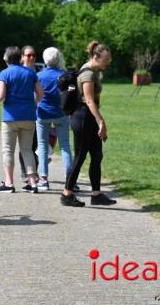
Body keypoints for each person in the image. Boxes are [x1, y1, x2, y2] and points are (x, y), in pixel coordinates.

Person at [61, 41, 117, 207]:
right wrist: (102, 122)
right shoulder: (88, 74)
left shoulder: (93, 71)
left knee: (97, 155)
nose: (108, 62)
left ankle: (96, 194)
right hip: (83, 118)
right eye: (106, 59)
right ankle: (67, 194)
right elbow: (90, 101)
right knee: (79, 157)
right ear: (96, 57)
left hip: (89, 118)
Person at [0, 46, 44, 193]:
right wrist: (34, 104)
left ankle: (9, 183)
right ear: (20, 57)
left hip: (10, 117)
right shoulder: (30, 73)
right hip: (28, 116)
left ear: (6, 58)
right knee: (27, 150)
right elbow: (40, 92)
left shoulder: (4, 73)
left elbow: (1, 96)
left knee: (8, 150)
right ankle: (33, 183)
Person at [36, 47, 73, 191]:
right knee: (65, 145)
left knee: (43, 145)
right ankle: (69, 179)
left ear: (45, 60)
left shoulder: (39, 76)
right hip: (61, 112)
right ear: (58, 59)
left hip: (42, 112)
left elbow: (35, 94)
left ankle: (43, 179)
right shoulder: (65, 75)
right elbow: (71, 91)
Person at [18, 45, 39, 183]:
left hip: (37, 113)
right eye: (28, 55)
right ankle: (25, 172)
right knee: (25, 145)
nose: (31, 58)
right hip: (22, 113)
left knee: (35, 144)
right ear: (22, 57)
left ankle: (33, 171)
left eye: (33, 55)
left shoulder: (37, 72)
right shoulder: (19, 71)